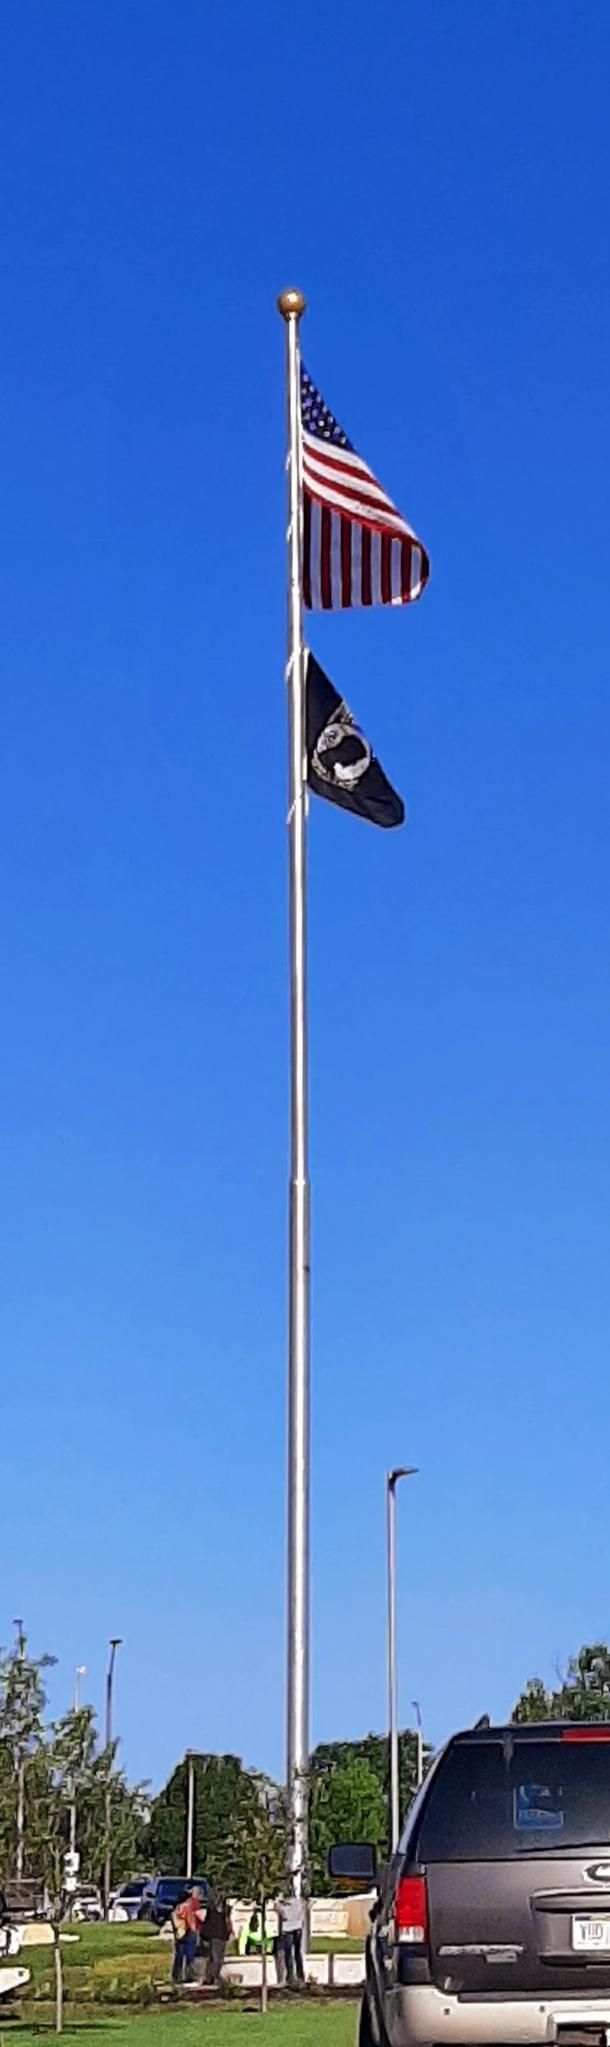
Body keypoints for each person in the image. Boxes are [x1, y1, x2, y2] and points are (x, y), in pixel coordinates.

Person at [171, 1885, 205, 1985]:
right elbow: (191, 1921)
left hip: (180, 1932)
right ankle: (191, 1976)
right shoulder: (188, 1906)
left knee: (179, 1956)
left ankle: (176, 1976)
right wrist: (195, 1931)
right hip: (189, 1932)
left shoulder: (177, 1907)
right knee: (191, 1955)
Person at [201, 1890, 232, 1985]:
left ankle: (210, 1977)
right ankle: (213, 1976)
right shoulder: (226, 1910)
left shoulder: (211, 1909)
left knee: (214, 1957)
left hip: (214, 1935)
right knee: (218, 1958)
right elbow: (228, 1922)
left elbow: (207, 1922)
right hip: (221, 1935)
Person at [275, 1891, 306, 1985]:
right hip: (298, 1928)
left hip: (288, 1929)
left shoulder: (283, 1904)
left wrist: (278, 1906)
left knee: (288, 1953)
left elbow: (284, 1916)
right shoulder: (298, 1901)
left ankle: (290, 1975)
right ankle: (301, 1975)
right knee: (297, 1952)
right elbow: (305, 1908)